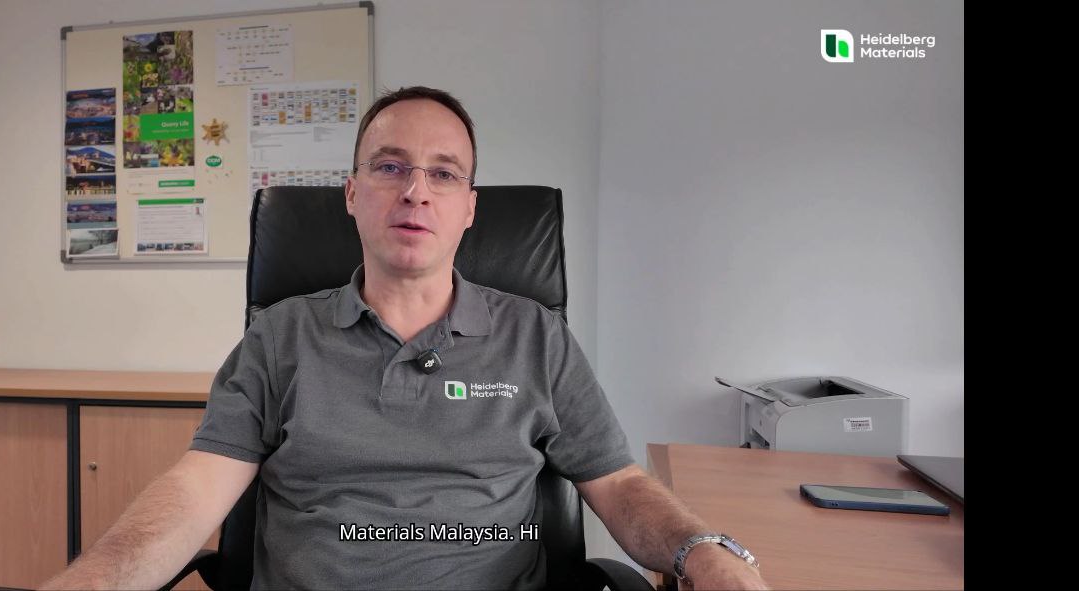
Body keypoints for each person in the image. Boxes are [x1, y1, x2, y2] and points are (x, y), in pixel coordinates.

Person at [41, 87, 769, 590]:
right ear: (353, 193)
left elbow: (620, 485)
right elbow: (196, 490)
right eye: (389, 167)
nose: (416, 190)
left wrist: (701, 547)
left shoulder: (536, 337)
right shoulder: (280, 337)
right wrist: (99, 574)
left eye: (443, 174)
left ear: (469, 209)